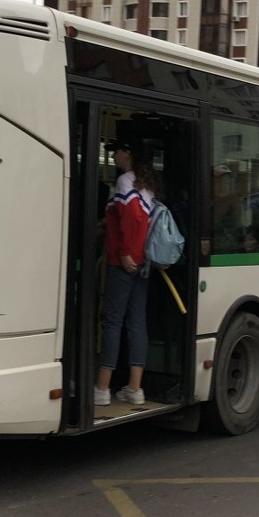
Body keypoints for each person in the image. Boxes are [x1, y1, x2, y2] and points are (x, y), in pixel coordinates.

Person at [94, 142, 159, 408]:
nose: (113, 154)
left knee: (112, 322)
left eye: (117, 150)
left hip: (122, 262)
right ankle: (135, 388)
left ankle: (102, 388)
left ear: (128, 154)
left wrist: (124, 253)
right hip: (142, 262)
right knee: (137, 322)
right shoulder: (147, 185)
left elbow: (131, 219)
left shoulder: (125, 181)